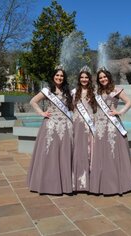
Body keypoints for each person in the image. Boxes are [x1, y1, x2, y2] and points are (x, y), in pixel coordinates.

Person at [90, 67, 131, 195]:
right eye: (100, 78)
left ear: (109, 77)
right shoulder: (97, 92)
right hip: (99, 126)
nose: (103, 79)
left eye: (105, 77)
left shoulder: (116, 90)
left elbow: (129, 102)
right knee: (101, 152)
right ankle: (102, 182)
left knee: (113, 152)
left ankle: (116, 182)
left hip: (112, 126)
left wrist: (119, 112)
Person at [27, 66, 74, 195]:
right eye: (57, 75)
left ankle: (64, 184)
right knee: (50, 153)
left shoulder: (67, 92)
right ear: (53, 77)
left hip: (65, 126)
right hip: (51, 125)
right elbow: (33, 101)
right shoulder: (47, 90)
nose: (59, 78)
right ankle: (47, 183)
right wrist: (42, 113)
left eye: (62, 76)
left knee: (64, 153)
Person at [71, 65, 97, 192]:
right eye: (82, 77)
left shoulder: (94, 92)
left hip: (90, 125)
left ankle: (90, 181)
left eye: (86, 77)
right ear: (79, 79)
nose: (84, 79)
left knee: (89, 150)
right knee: (78, 150)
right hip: (77, 125)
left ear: (89, 79)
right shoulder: (74, 92)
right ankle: (77, 180)